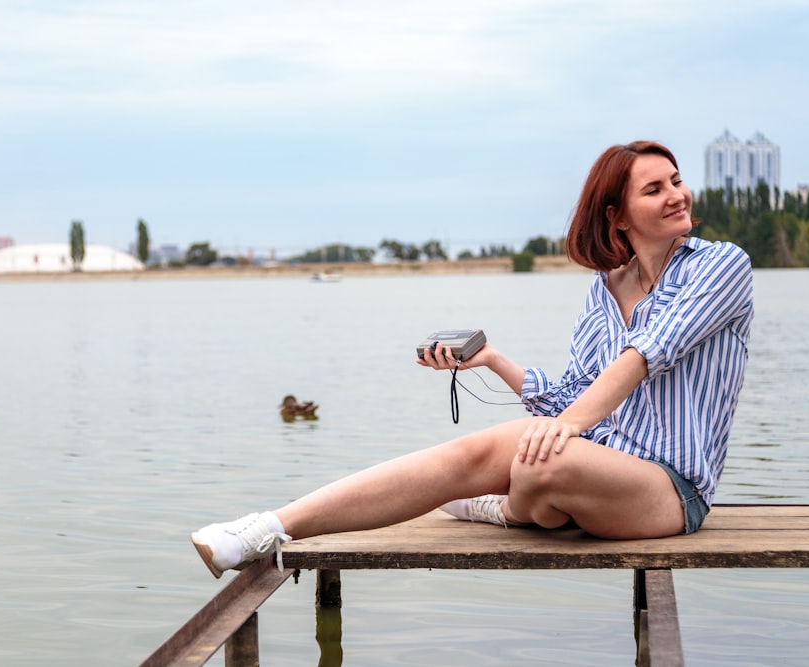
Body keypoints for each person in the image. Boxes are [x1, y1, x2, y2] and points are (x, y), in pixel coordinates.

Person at [191, 140, 754, 578]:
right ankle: (265, 528)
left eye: (676, 181)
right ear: (618, 215)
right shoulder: (602, 291)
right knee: (477, 450)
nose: (677, 194)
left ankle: (508, 509)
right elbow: (569, 398)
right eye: (655, 189)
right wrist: (491, 359)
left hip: (672, 491)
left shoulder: (722, 266)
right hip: (594, 457)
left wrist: (561, 428)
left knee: (540, 457)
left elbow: (643, 356)